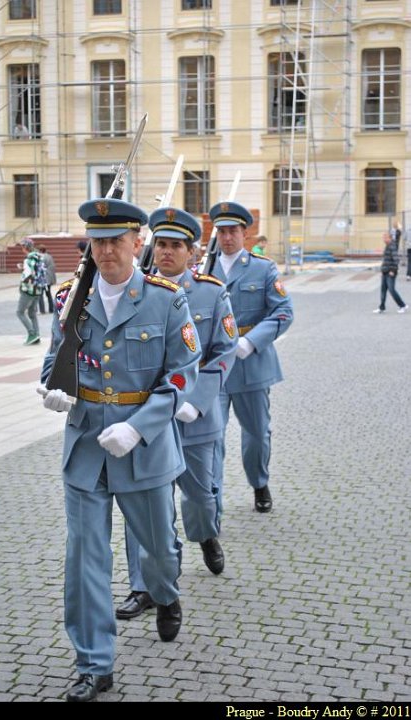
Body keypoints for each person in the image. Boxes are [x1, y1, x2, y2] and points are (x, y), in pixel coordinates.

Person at [38, 198, 201, 702]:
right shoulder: (72, 297)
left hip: (142, 446)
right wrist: (52, 389)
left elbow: (182, 373)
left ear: (138, 243)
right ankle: (94, 663)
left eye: (116, 240)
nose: (106, 250)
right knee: (85, 558)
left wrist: (140, 426)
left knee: (157, 551)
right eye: (97, 241)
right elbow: (52, 361)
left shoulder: (166, 299)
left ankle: (166, 594)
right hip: (86, 446)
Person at [116, 207, 237, 621]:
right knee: (145, 510)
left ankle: (206, 535)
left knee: (200, 499)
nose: (166, 252)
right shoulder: (138, 291)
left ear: (192, 251)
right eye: (161, 244)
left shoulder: (210, 292)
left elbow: (222, 354)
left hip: (194, 420)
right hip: (149, 422)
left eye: (175, 246)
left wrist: (197, 400)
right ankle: (145, 586)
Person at [209, 201, 294, 514]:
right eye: (222, 231)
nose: (227, 237)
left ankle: (259, 482)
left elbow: (284, 312)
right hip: (213, 366)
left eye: (233, 230)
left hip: (251, 363)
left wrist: (251, 341)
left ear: (245, 233)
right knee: (211, 435)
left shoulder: (263, 267)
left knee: (257, 433)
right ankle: (211, 496)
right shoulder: (203, 269)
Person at [373, 232, 408, 314]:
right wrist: (382, 270)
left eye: (385, 237)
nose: (384, 239)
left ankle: (402, 305)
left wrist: (393, 270)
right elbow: (385, 260)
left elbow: (396, 260)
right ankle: (382, 308)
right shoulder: (387, 246)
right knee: (383, 290)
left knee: (392, 290)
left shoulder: (392, 246)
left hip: (390, 272)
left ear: (390, 238)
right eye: (383, 237)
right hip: (385, 271)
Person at [16, 238, 44, 345]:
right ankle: (37, 335)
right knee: (32, 313)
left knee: (20, 312)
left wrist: (23, 281)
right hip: (38, 289)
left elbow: (28, 274)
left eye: (22, 247)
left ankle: (32, 334)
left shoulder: (28, 260)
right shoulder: (38, 257)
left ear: (25, 247)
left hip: (28, 289)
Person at [38, 245, 57, 314]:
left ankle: (42, 310)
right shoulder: (49, 256)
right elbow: (53, 268)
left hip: (42, 278)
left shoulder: (39, 257)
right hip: (49, 278)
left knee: (40, 295)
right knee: (48, 294)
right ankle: (51, 309)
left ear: (39, 250)